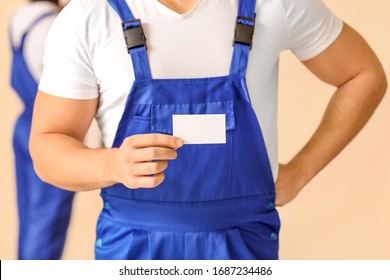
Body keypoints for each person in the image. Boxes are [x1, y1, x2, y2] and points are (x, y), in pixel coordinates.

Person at [29, 0, 387, 260]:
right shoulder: (89, 16)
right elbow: (47, 148)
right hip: (132, 252)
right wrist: (112, 165)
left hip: (244, 250)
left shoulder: (275, 5)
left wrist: (301, 172)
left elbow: (364, 76)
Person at [9, 0, 76, 260]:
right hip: (49, 129)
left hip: (24, 125)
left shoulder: (21, 17)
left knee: (29, 216)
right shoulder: (52, 25)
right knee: (47, 220)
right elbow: (60, 88)